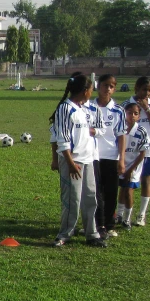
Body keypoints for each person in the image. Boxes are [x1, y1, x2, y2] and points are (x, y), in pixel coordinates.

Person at [50, 74, 106, 247]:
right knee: (72, 200)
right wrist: (71, 163)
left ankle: (92, 234)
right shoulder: (65, 109)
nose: (92, 93)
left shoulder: (82, 108)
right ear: (85, 91)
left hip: (87, 161)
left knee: (90, 198)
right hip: (72, 162)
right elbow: (63, 139)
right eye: (91, 89)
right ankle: (64, 234)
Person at [120, 77, 150, 226]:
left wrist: (146, 109)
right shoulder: (126, 104)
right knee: (125, 182)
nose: (147, 93)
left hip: (148, 150)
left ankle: (141, 215)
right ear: (136, 89)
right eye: (144, 89)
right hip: (129, 151)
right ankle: (121, 214)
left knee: (145, 180)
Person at [90, 75, 126, 238]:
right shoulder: (88, 107)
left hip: (111, 156)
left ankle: (109, 225)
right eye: (105, 85)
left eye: (111, 86)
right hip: (92, 155)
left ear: (114, 89)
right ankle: (94, 224)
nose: (108, 89)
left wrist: (122, 159)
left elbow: (121, 135)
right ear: (98, 86)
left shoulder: (118, 110)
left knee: (111, 192)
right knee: (94, 192)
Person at [117, 103, 149, 228]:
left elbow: (142, 154)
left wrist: (130, 170)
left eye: (135, 113)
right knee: (121, 189)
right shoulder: (120, 128)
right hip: (120, 164)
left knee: (128, 191)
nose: (132, 116)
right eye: (129, 113)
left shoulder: (141, 131)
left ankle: (127, 219)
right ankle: (119, 215)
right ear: (125, 113)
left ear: (139, 116)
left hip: (133, 168)